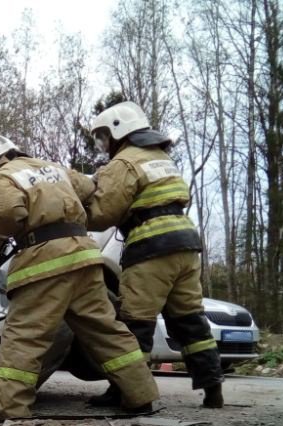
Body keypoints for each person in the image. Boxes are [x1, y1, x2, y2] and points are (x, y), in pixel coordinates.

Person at [0, 134, 159, 419]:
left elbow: (7, 215)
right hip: (84, 257)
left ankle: (10, 409)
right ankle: (140, 395)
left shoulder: (2, 176)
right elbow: (89, 186)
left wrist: (1, 222)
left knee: (25, 337)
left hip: (44, 264)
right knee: (106, 330)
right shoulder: (51, 167)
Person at [85, 101, 223, 408]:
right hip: (186, 244)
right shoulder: (162, 157)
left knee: (136, 323)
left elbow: (103, 214)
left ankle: (128, 392)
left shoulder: (123, 163)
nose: (105, 144)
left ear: (120, 131)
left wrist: (82, 203)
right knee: (190, 320)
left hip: (151, 248)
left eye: (105, 136)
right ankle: (213, 387)